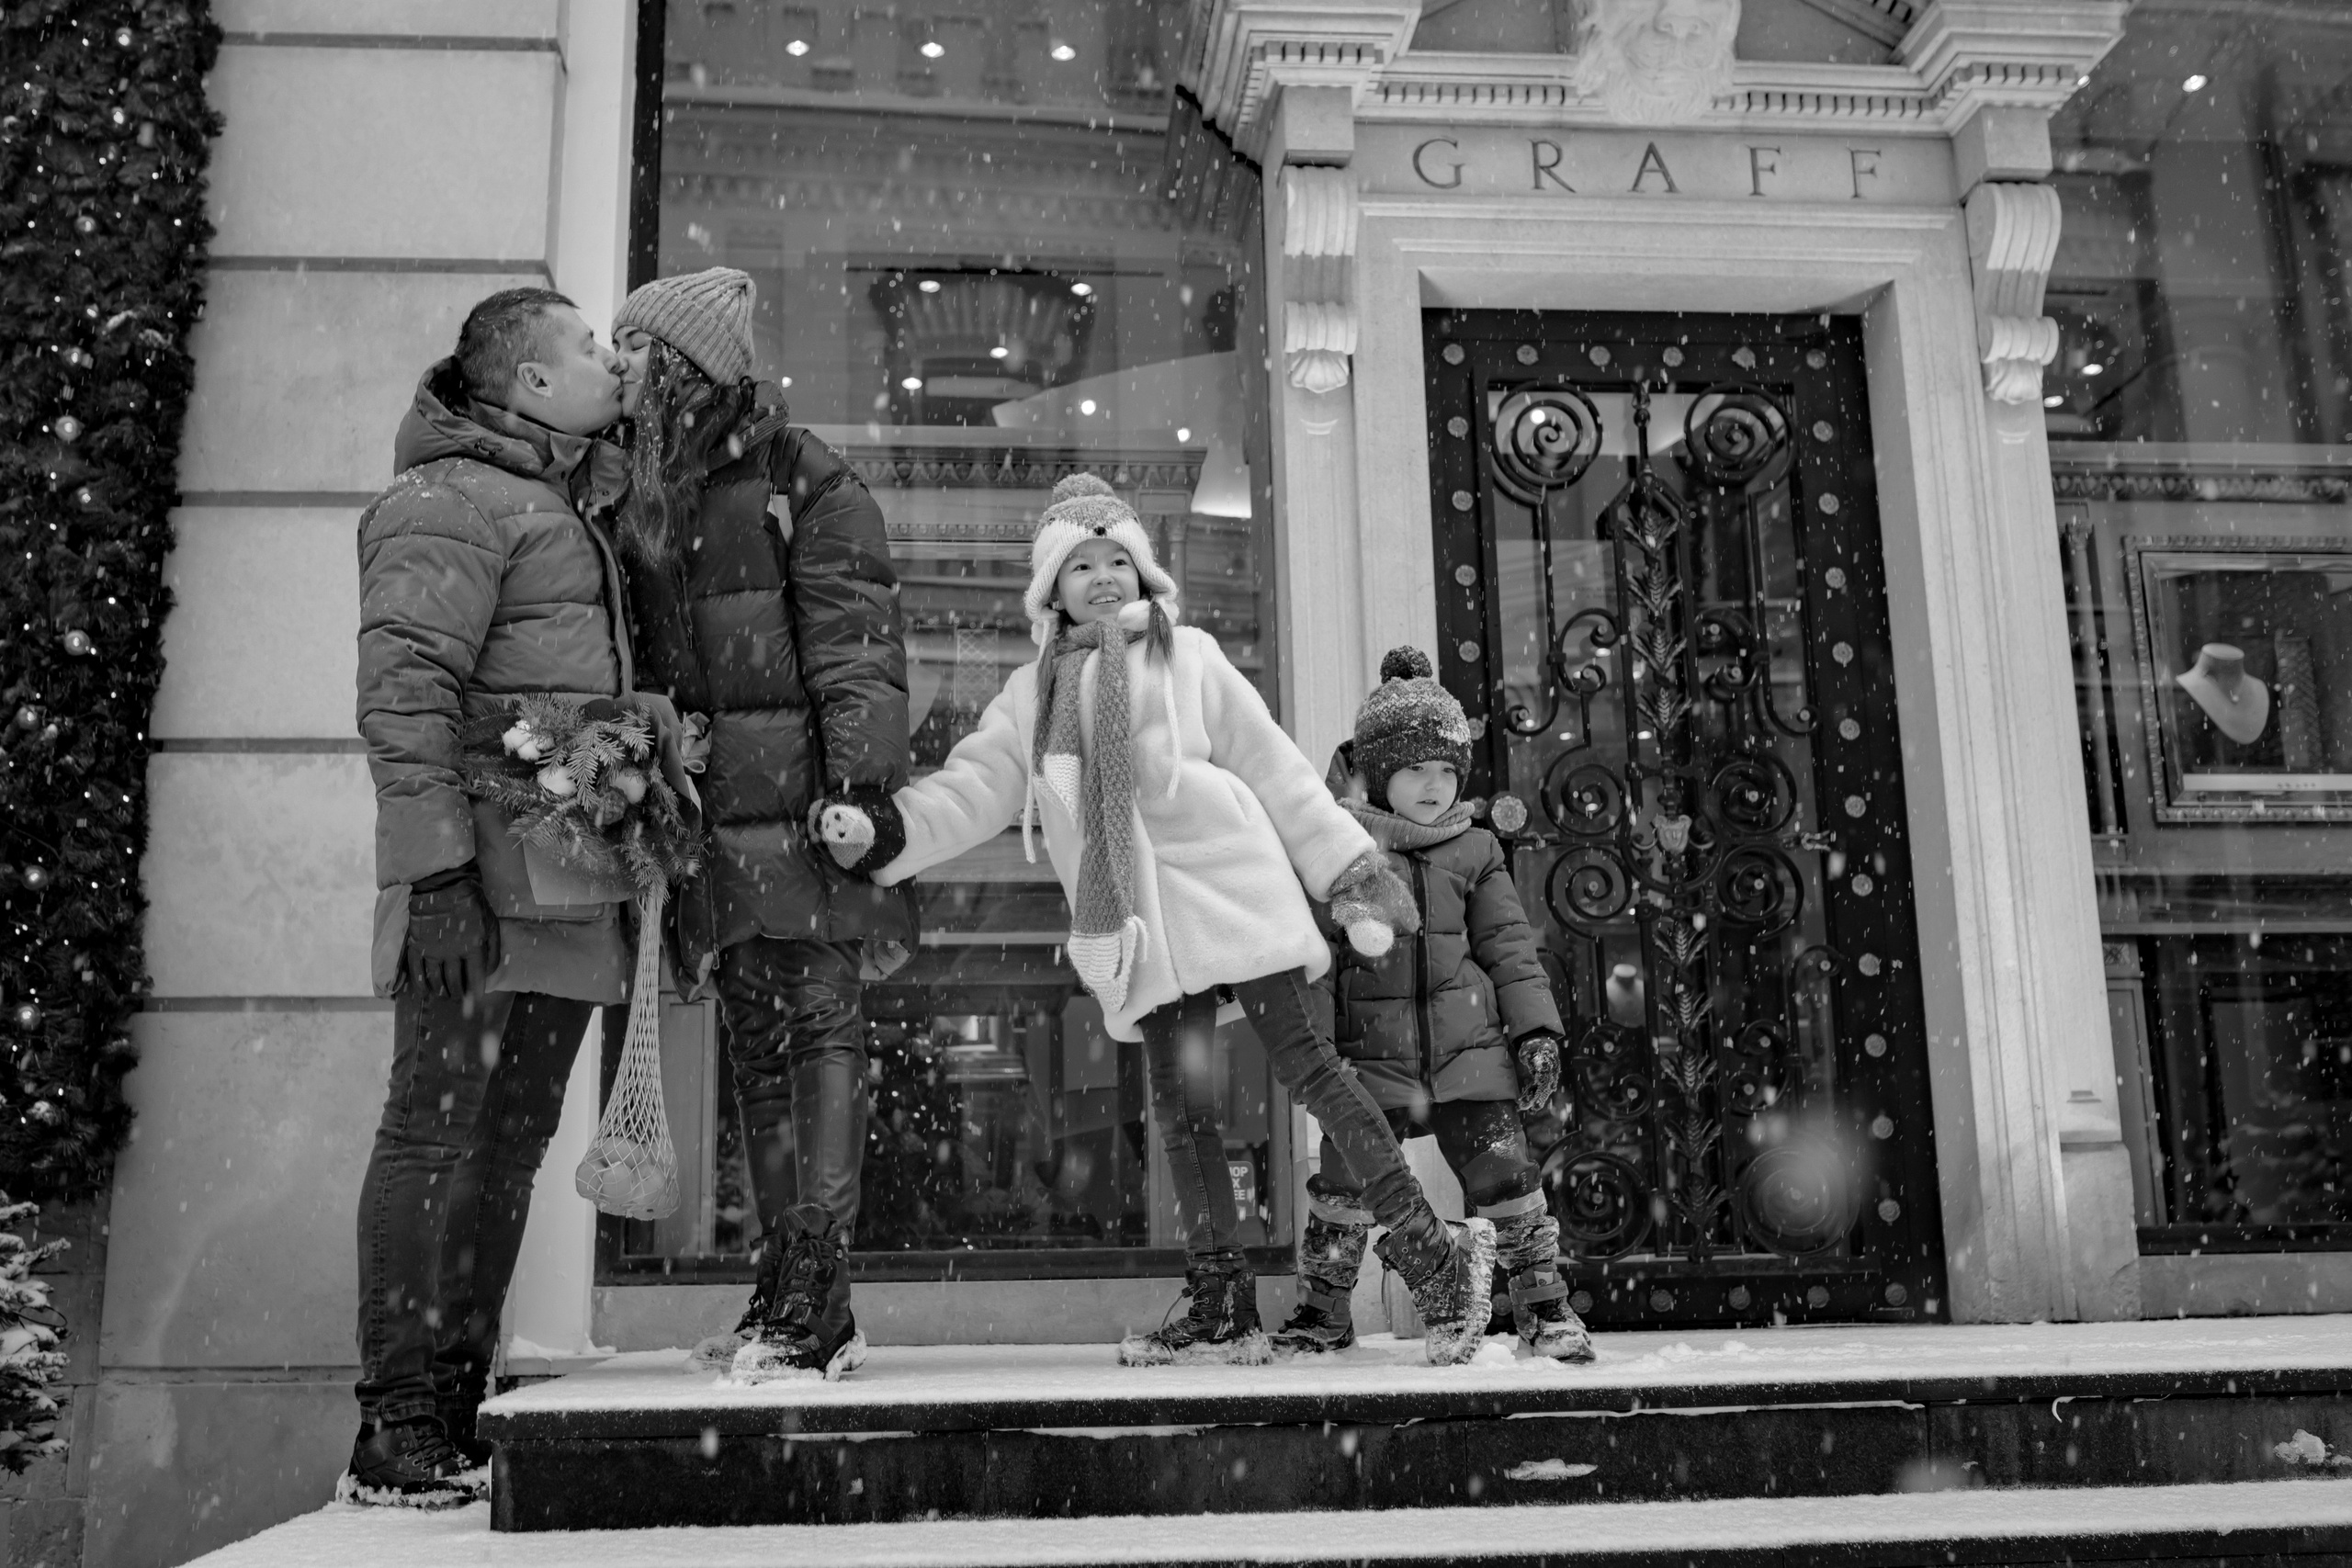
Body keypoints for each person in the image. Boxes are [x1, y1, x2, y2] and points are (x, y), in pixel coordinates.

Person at [814, 475, 1499, 1367]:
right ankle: (1219, 1298)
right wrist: (887, 833)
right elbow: (976, 788)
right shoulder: (1033, 694)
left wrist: (1350, 872)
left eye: (1117, 561)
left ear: (1142, 572)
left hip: (1231, 894)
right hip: (1139, 922)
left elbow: (1276, 769)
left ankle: (1437, 1262)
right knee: (1181, 1108)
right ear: (1049, 588)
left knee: (1314, 1075)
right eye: (1081, 564)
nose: (1103, 577)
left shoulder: (1191, 658)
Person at [348, 288, 637, 1504]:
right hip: (475, 883)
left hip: (566, 881)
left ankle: (457, 1404)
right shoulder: (447, 502)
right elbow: (404, 693)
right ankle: (397, 1423)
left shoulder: (571, 497)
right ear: (525, 382)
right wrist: (434, 876)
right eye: (585, 346)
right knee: (434, 1127)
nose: (610, 357)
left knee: (509, 1144)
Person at [605, 268, 917, 1382]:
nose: (618, 365)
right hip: (708, 819)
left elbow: (857, 651)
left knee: (820, 1030)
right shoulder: (640, 486)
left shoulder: (801, 474)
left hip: (804, 812)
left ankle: (820, 1291)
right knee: (754, 1050)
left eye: (635, 349)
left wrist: (861, 797)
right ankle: (780, 1276)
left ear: (684, 367)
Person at [1272, 648, 1594, 1363]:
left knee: (1507, 1175)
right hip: (1369, 1059)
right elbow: (1319, 961)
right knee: (1345, 1185)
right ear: (1382, 771)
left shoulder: (1475, 847)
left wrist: (1536, 1030)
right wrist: (1319, 1055)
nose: (1435, 784)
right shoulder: (1344, 848)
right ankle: (1323, 1309)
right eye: (1417, 769)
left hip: (1469, 1052)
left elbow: (1510, 945)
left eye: (1448, 770)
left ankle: (1544, 1305)